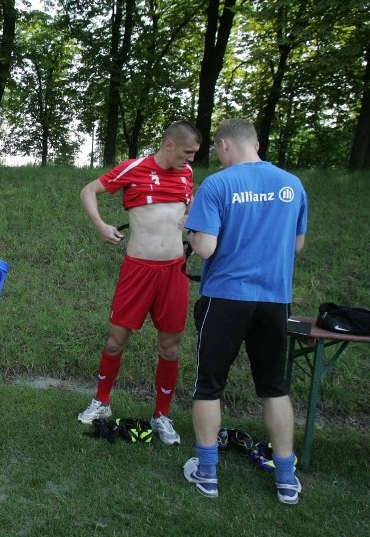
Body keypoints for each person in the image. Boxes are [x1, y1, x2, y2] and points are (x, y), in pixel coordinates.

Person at [183, 119, 307, 504]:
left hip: (225, 297)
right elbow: (297, 245)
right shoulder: (292, 185)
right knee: (274, 387)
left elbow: (204, 248)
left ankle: (207, 474)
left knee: (209, 386)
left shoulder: (218, 185)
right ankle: (286, 479)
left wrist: (190, 231)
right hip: (273, 299)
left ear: (223, 146)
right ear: (255, 144)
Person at [76, 121, 200, 446]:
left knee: (170, 348)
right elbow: (88, 190)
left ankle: (162, 415)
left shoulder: (187, 175)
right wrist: (101, 225)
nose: (190, 161)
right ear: (169, 145)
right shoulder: (134, 168)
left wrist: (191, 220)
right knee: (116, 340)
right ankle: (101, 402)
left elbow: (191, 204)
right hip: (137, 271)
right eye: (187, 153)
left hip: (174, 273)